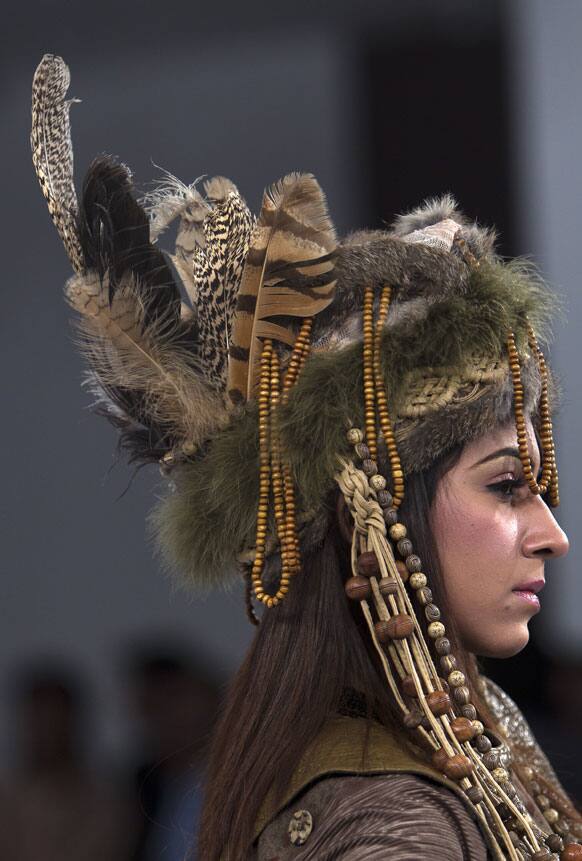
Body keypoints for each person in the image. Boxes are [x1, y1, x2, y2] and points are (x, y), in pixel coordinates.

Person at [31, 53, 582, 860]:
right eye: (505, 486)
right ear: (376, 516)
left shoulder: (475, 727)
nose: (550, 532)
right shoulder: (384, 818)